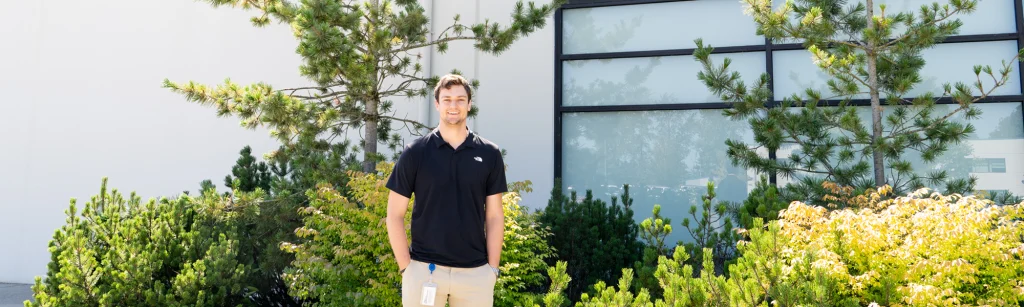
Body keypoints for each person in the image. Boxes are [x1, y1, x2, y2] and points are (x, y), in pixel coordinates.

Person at [385, 74, 507, 306]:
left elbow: (494, 215)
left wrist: (492, 269)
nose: (454, 105)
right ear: (437, 104)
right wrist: (406, 268)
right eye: (447, 99)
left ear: (469, 105)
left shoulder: (490, 153)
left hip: (476, 275)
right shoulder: (416, 153)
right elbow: (394, 214)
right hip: (424, 271)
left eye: (460, 100)